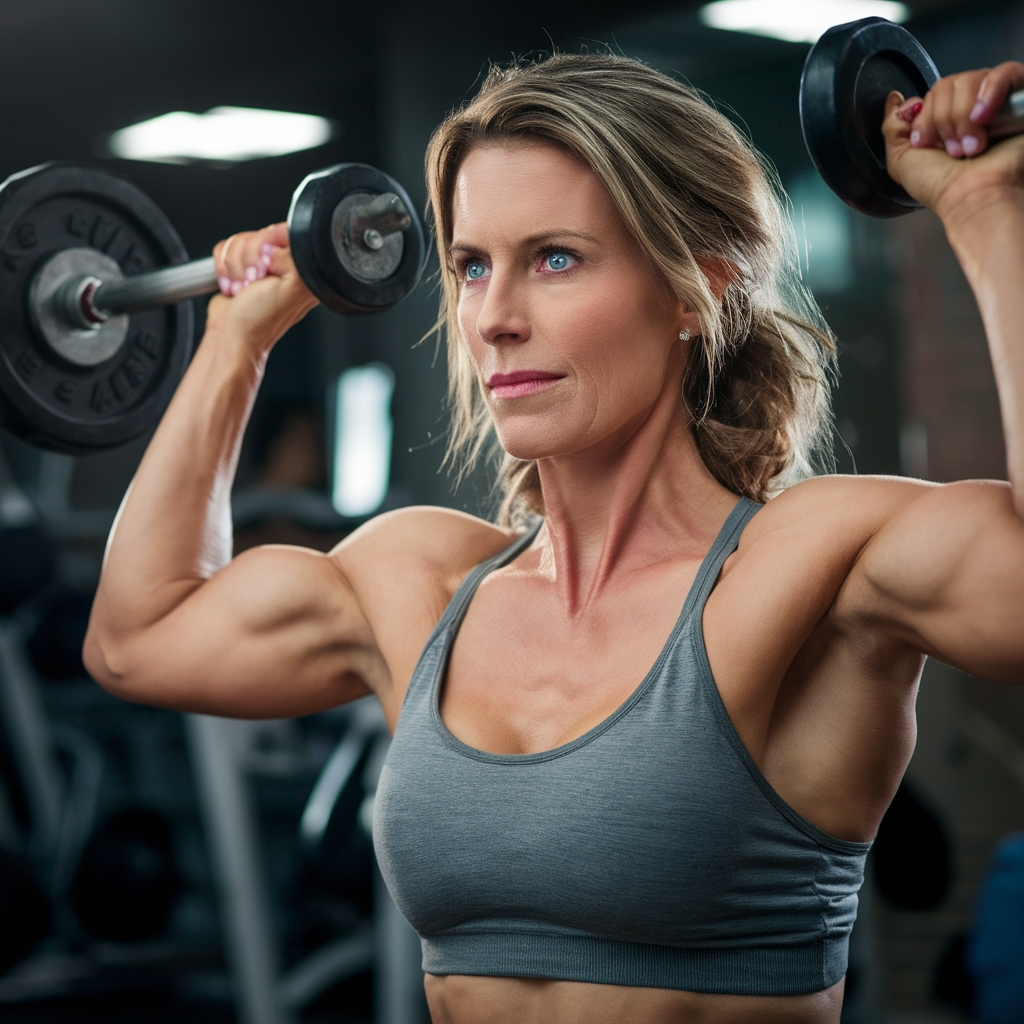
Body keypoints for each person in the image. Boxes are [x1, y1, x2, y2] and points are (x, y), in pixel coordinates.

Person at [84, 52, 1024, 1024]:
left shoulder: (811, 561)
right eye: (471, 267)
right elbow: (135, 638)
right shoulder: (418, 582)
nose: (493, 318)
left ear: (694, 289)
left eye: (556, 258)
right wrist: (233, 346)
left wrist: (985, 208)